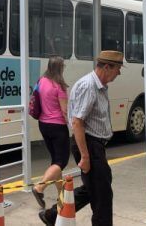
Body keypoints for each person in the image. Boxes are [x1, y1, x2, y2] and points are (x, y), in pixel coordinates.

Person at [39, 50, 124, 226]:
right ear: (107, 67)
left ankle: (52, 215)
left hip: (94, 145)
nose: (119, 73)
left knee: (93, 189)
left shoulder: (98, 85)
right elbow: (78, 122)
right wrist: (85, 157)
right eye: (117, 68)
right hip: (90, 145)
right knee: (102, 197)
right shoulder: (89, 86)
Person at [31, 56, 70, 209]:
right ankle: (39, 188)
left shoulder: (41, 81)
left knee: (55, 161)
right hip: (57, 126)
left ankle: (61, 195)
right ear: (60, 68)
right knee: (62, 161)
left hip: (43, 124)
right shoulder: (59, 86)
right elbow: (65, 110)